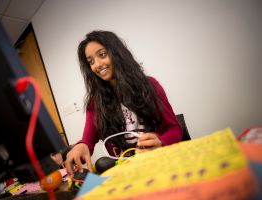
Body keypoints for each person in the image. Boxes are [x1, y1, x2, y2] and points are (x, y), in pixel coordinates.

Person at [65, 30, 182, 176]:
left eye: (102, 55)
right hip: (126, 173)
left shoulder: (151, 85)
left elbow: (175, 129)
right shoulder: (95, 102)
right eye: (91, 61)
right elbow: (87, 140)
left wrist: (161, 142)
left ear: (117, 53)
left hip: (158, 164)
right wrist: (81, 146)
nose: (97, 65)